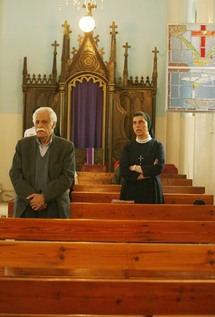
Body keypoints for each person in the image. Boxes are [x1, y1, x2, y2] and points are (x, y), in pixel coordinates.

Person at [9, 107, 75, 218]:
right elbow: (15, 174)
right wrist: (33, 199)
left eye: (44, 122)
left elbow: (67, 177)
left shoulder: (66, 147)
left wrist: (43, 196)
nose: (40, 125)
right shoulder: (23, 145)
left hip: (55, 207)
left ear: (53, 124)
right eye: (37, 122)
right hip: (27, 206)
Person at [119, 111, 165, 204]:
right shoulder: (128, 147)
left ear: (148, 124)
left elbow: (159, 168)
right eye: (134, 123)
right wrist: (149, 171)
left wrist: (134, 167)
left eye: (141, 122)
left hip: (152, 191)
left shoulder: (157, 146)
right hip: (130, 190)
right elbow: (123, 171)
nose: (137, 125)